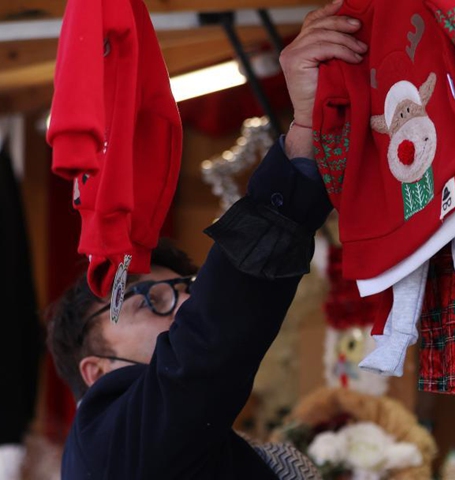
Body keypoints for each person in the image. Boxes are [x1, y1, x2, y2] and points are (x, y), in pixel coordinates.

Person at [46, 1, 369, 477]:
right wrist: (302, 137)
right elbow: (208, 340)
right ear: (95, 373)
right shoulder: (110, 444)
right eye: (150, 301)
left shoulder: (180, 447)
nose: (183, 307)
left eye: (187, 290)